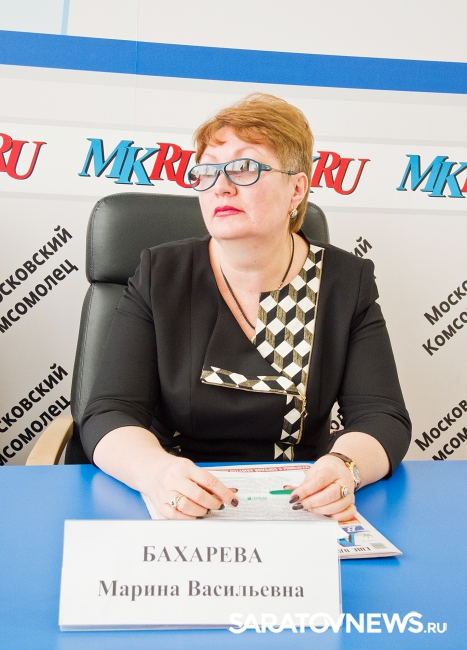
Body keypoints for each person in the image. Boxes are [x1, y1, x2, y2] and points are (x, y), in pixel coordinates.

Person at [81, 93, 411, 521]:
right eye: (207, 170)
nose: (220, 185)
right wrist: (156, 472)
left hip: (299, 500)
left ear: (296, 189)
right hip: (177, 498)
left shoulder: (344, 281)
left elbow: (382, 416)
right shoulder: (161, 273)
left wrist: (343, 467)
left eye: (244, 167)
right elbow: (109, 412)